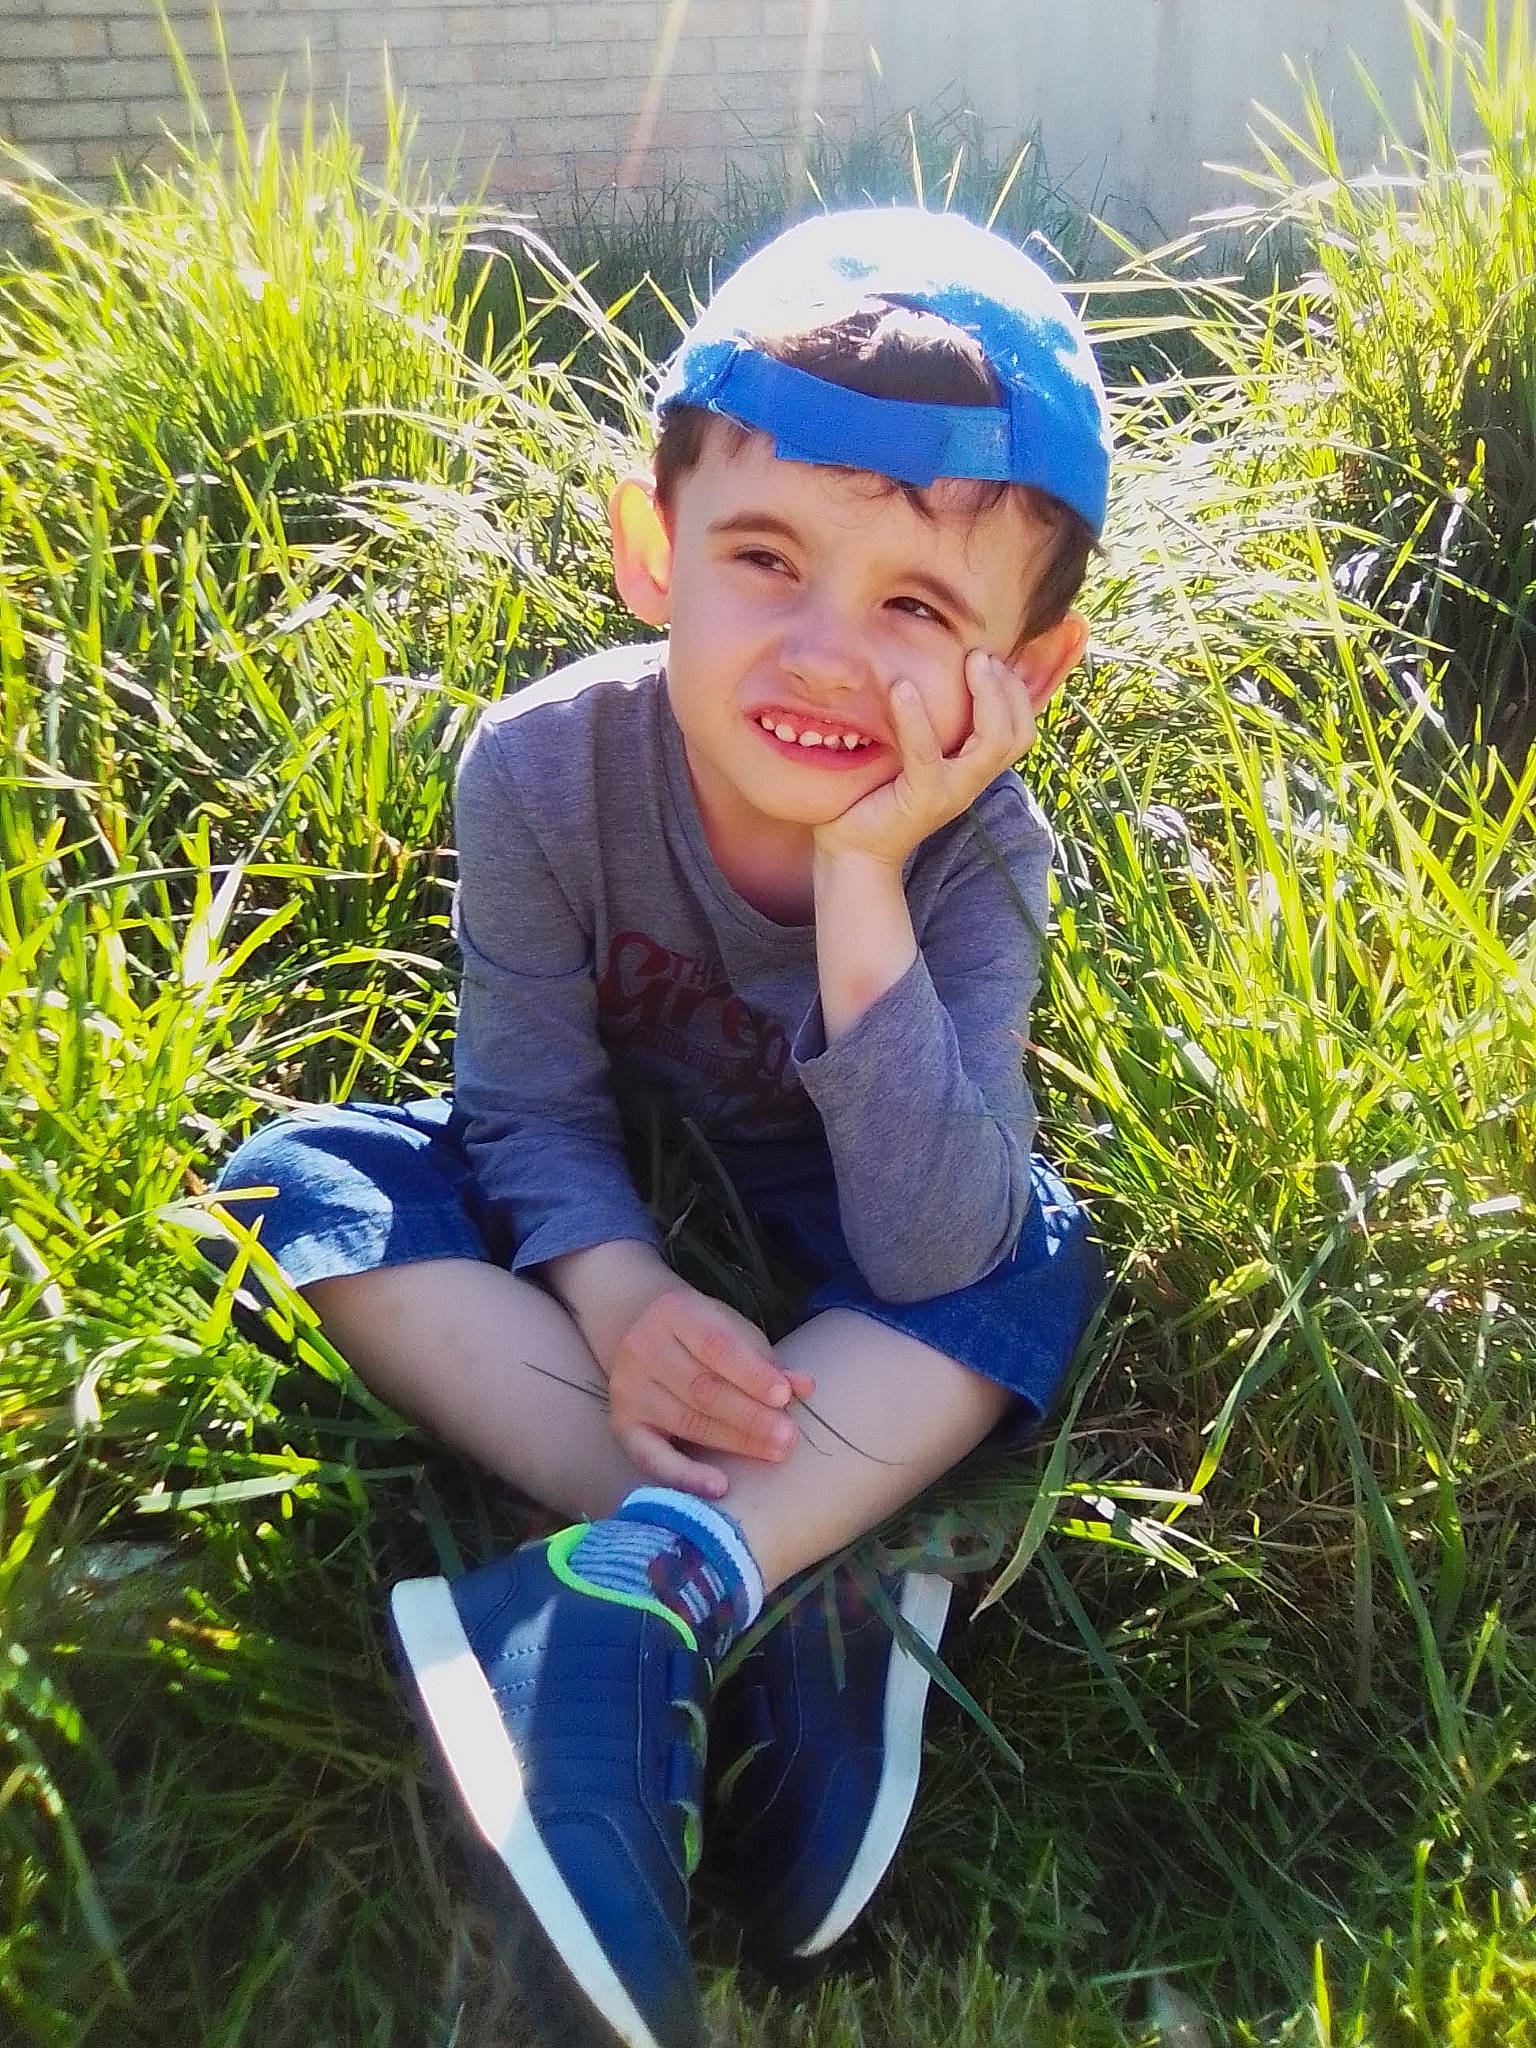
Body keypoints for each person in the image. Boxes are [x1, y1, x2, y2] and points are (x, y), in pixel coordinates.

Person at [215, 205, 1110, 2048]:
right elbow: (523, 1103)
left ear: (1030, 676)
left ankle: (647, 1590)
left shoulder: (984, 865)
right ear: (651, 549)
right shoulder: (543, 765)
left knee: (1028, 1257)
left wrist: (868, 886)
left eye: (920, 611)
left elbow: (935, 1245)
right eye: (766, 558)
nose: (825, 655)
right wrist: (619, 1301)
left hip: (868, 1276)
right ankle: (790, 1584)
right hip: (615, 1229)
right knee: (313, 1182)